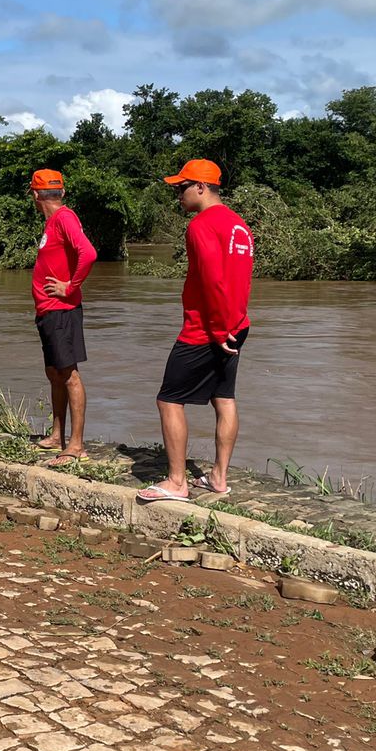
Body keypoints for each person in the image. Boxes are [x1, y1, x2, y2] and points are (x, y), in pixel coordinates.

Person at [136, 159, 254, 503]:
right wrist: (232, 324)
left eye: (181, 187)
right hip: (237, 324)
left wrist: (216, 328)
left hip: (206, 328)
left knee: (169, 400)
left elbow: (212, 279)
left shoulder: (201, 224)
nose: (178, 195)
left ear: (201, 187)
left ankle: (176, 482)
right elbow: (240, 279)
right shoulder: (238, 224)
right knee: (224, 397)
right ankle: (218, 477)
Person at [28, 169, 98, 465]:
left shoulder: (64, 218)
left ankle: (76, 445)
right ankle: (57, 435)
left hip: (62, 311)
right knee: (55, 373)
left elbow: (89, 253)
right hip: (49, 311)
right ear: (62, 192)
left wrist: (71, 286)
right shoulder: (55, 221)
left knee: (69, 375)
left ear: (34, 195)